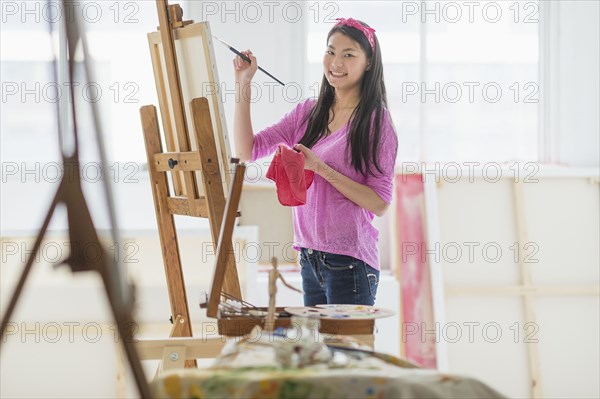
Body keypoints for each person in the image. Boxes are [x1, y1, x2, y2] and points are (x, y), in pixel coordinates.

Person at [232, 18, 398, 306]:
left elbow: (379, 203)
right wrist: (243, 84)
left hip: (350, 262)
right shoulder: (308, 112)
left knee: (345, 352)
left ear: (368, 63)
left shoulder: (376, 121)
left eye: (349, 54)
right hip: (309, 257)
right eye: (331, 51)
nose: (336, 62)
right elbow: (247, 151)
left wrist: (319, 167)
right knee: (321, 352)